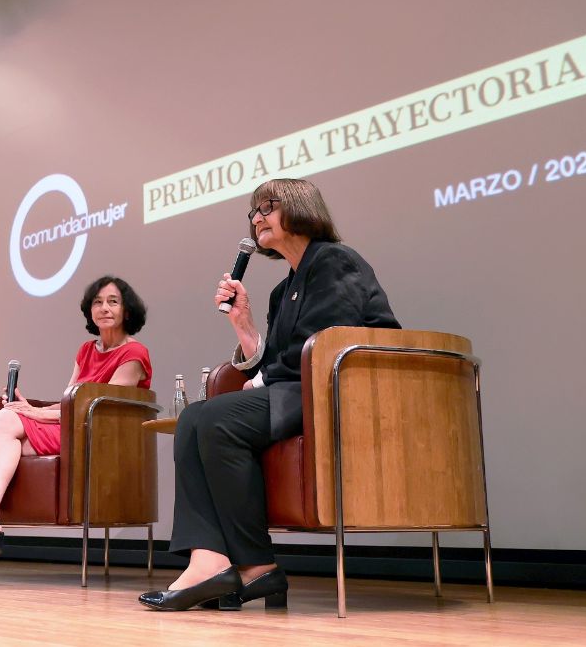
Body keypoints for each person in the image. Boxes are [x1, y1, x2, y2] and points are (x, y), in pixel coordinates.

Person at [139, 178, 400, 611]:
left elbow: (325, 341)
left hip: (342, 390)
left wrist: (260, 382)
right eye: (253, 212)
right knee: (195, 417)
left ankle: (256, 566)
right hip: (298, 388)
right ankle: (211, 561)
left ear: (300, 207)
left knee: (216, 417)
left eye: (267, 207)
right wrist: (243, 324)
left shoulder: (334, 260)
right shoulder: (283, 289)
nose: (257, 217)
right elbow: (274, 361)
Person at [0, 275, 153, 586]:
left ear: (127, 311)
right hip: (73, 425)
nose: (104, 308)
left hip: (97, 437)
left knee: (4, 422)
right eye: (98, 302)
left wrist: (31, 413)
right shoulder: (86, 350)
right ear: (90, 311)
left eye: (113, 301)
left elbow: (96, 408)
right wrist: (29, 408)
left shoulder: (134, 353)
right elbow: (69, 400)